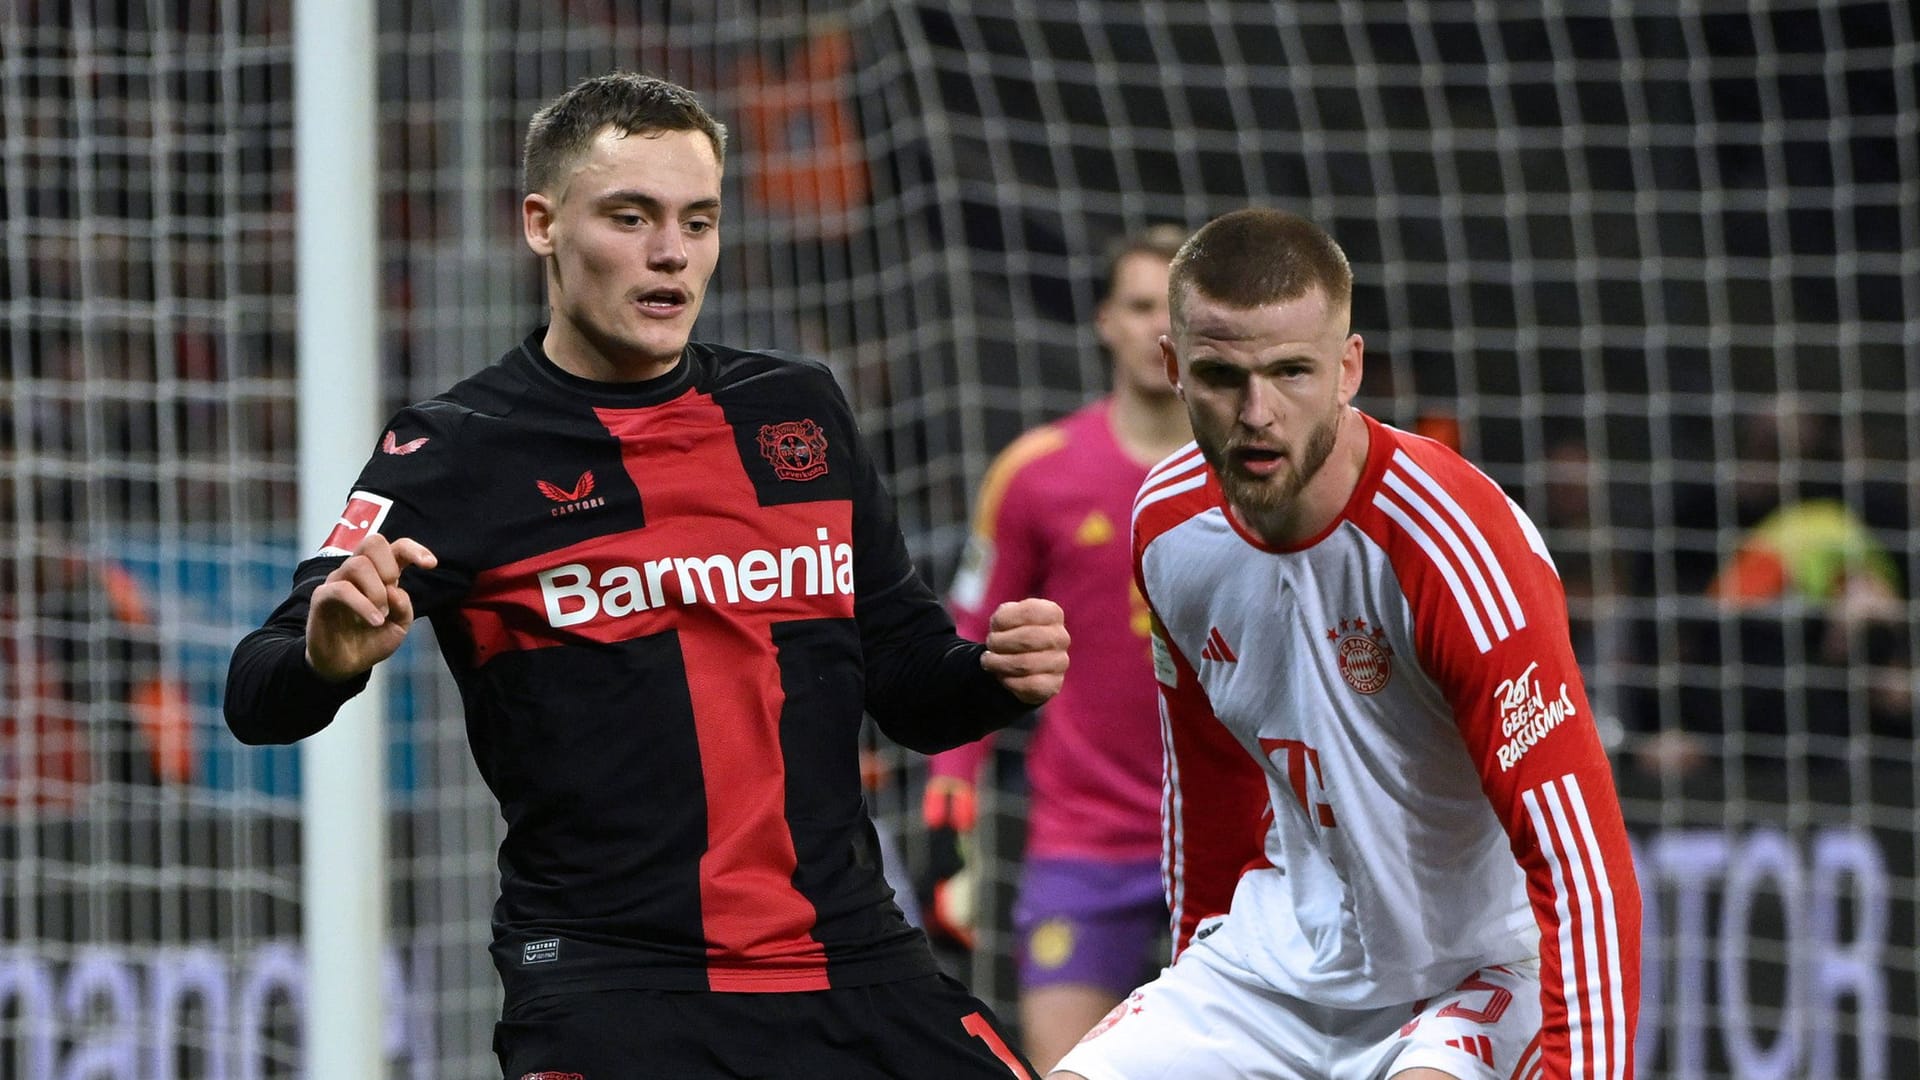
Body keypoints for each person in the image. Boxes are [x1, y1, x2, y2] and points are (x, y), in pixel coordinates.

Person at [224, 71, 1069, 1080]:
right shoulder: (454, 452)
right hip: (616, 986)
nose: (672, 253)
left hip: (850, 963)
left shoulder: (795, 411)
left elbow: (904, 678)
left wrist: (989, 675)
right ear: (542, 223)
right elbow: (255, 691)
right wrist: (327, 657)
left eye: (698, 221)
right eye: (632, 217)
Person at [1054, 208, 1641, 1080]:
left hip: (1469, 976)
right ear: (1173, 369)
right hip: (1269, 970)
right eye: (1222, 375)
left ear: (1347, 370)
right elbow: (1208, 793)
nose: (1259, 414)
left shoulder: (1452, 546)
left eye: (1292, 371)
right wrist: (1192, 987)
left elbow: (1580, 863)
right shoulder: (1168, 526)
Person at [920, 224, 1191, 1071]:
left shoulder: (1253, 471)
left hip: (1230, 841)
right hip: (1084, 839)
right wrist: (950, 801)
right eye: (1140, 306)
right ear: (1106, 320)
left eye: (1174, 310)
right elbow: (973, 638)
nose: (1158, 330)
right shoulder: (1037, 475)